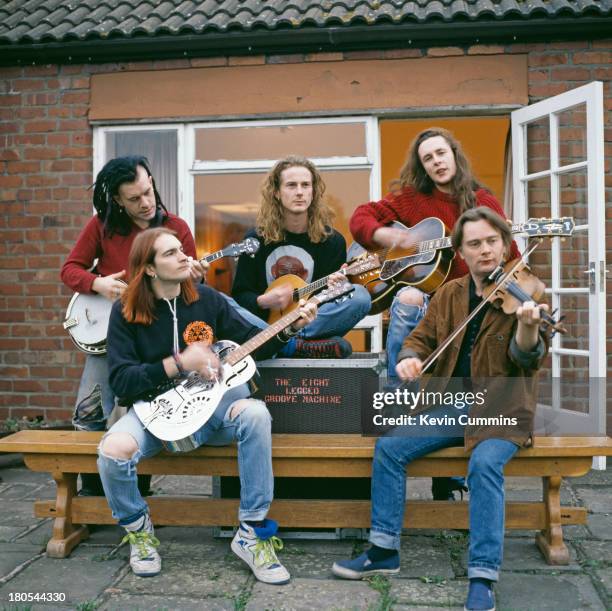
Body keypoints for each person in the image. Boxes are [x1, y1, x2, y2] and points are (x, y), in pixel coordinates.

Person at [333, 207, 549, 611]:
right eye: (474, 244)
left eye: (491, 241)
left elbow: (526, 360)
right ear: (461, 253)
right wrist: (409, 359)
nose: (484, 250)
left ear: (504, 245)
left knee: (484, 465)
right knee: (390, 447)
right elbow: (420, 337)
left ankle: (482, 575)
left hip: (502, 408)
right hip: (454, 404)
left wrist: (528, 327)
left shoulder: (527, 293)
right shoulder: (450, 294)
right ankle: (384, 550)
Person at [101, 227, 318, 582]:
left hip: (214, 412)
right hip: (153, 412)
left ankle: (252, 533)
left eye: (181, 249)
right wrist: (178, 363)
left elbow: (255, 342)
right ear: (150, 269)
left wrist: (290, 327)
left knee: (255, 414)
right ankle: (138, 529)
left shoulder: (208, 300)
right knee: (113, 449)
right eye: (170, 253)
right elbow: (122, 382)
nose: (184, 256)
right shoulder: (125, 312)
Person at [349, 127, 520, 500]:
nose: (437, 162)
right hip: (429, 306)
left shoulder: (481, 200)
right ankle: (401, 396)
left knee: (458, 384)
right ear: (422, 166)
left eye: (441, 153)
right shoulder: (411, 201)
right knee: (408, 296)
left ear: (454, 155)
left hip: (468, 308)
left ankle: (448, 476)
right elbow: (360, 218)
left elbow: (511, 256)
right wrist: (387, 237)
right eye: (428, 158)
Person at [60, 156, 207, 496]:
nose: (145, 203)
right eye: (134, 198)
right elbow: (70, 269)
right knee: (89, 415)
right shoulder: (102, 226)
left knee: (147, 413)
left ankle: (137, 493)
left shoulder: (177, 228)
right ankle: (92, 499)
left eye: (148, 192)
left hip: (154, 340)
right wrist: (98, 285)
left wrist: (192, 275)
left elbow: (188, 292)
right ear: (117, 201)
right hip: (110, 338)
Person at [232, 155, 371, 358]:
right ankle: (291, 345)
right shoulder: (255, 239)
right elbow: (240, 295)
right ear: (277, 193)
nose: (299, 192)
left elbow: (326, 305)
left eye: (306, 185)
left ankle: (287, 345)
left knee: (360, 296)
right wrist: (263, 301)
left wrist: (333, 289)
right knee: (221, 303)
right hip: (264, 326)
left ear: (313, 192)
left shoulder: (331, 241)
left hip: (307, 321)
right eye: (291, 185)